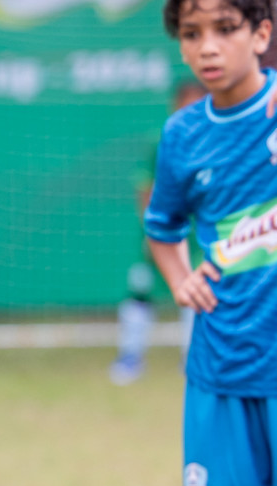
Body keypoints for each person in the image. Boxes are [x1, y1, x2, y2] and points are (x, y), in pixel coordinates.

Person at [145, 0, 277, 486]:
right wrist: (178, 281)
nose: (207, 48)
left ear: (262, 33)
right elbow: (163, 228)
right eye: (192, 34)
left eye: (225, 29)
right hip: (225, 368)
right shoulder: (184, 133)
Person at [109, 79, 206, 385]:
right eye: (184, 103)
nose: (189, 110)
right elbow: (145, 188)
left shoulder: (213, 140)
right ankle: (130, 358)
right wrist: (154, 232)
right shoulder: (162, 140)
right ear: (174, 106)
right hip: (163, 236)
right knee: (139, 291)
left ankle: (192, 361)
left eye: (196, 103)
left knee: (198, 294)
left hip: (198, 238)